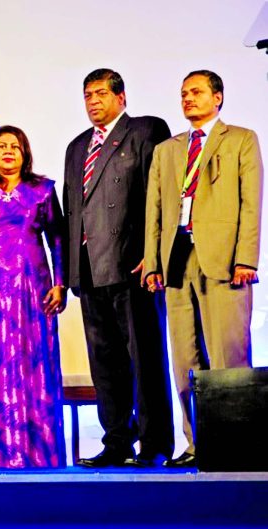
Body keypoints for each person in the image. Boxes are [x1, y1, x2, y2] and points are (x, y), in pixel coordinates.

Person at [144, 70, 263, 469]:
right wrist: (152, 262)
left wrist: (247, 257)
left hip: (225, 259)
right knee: (184, 357)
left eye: (196, 92)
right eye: (183, 94)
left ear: (218, 97)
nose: (188, 99)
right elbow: (155, 211)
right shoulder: (168, 149)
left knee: (229, 354)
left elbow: (252, 203)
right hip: (176, 258)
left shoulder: (241, 139)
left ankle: (238, 445)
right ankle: (196, 444)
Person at [63, 69, 174, 468]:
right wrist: (70, 271)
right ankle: (116, 441)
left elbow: (161, 194)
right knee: (104, 362)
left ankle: (155, 443)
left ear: (121, 97)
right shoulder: (77, 147)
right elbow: (69, 212)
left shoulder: (145, 131)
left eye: (100, 94)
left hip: (133, 264)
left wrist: (153, 251)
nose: (93, 101)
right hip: (89, 269)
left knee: (145, 359)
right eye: (87, 95)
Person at [0, 125, 67, 469]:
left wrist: (60, 282)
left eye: (15, 147)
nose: (8, 152)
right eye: (1, 146)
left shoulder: (43, 191)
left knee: (36, 364)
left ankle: (40, 454)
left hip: (34, 289)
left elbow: (58, 239)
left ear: (25, 154)